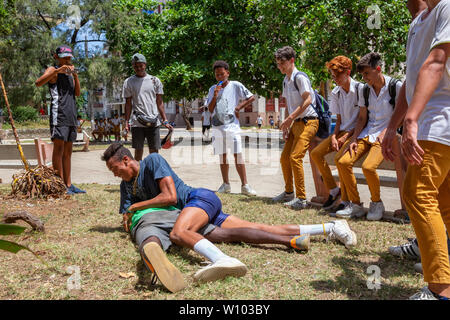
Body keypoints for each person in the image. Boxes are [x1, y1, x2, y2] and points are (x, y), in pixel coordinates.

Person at [102, 142, 357, 292]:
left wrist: (136, 208)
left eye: (115, 169)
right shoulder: (127, 185)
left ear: (126, 160)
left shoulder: (152, 161)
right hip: (196, 210)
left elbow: (169, 197)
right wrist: (129, 213)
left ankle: (223, 260)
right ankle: (331, 227)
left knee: (179, 233)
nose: (115, 175)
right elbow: (126, 213)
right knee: (263, 228)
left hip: (199, 199)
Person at [396, 0, 450, 300]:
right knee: (444, 204)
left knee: (418, 195)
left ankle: (440, 290)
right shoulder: (420, 20)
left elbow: (437, 61)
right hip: (433, 122)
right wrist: (394, 126)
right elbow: (412, 79)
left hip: (437, 121)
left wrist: (412, 119)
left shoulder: (447, 7)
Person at [333, 52, 402, 220]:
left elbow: (402, 114)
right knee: (343, 162)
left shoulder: (396, 86)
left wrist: (387, 132)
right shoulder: (365, 90)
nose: (364, 78)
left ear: (378, 69)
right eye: (362, 75)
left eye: (366, 74)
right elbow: (362, 117)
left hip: (386, 135)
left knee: (368, 167)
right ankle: (355, 205)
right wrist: (354, 139)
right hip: (366, 133)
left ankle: (376, 203)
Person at [310, 56, 361, 212]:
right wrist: (333, 136)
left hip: (357, 132)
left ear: (348, 72)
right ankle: (333, 190)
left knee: (340, 160)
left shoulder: (360, 89)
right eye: (332, 75)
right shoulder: (336, 92)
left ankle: (350, 201)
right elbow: (338, 119)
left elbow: (362, 119)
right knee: (316, 153)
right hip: (341, 132)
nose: (335, 78)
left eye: (337, 75)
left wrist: (347, 136)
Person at [272, 46, 319, 209]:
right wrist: (286, 123)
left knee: (295, 157)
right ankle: (288, 192)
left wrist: (290, 118)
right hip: (296, 123)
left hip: (309, 121)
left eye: (282, 63)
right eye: (278, 64)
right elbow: (287, 103)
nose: (280, 67)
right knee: (285, 158)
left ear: (292, 60)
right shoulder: (286, 79)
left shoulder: (300, 77)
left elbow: (308, 100)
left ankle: (301, 198)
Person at [35, 45, 86, 195]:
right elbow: (38, 83)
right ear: (57, 57)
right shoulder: (53, 70)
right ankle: (59, 185)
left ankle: (68, 184)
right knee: (58, 149)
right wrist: (57, 71)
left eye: (69, 57)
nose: (67, 60)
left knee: (68, 152)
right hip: (59, 115)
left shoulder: (70, 74)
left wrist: (75, 75)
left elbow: (77, 93)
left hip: (71, 115)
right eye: (64, 57)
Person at [206, 60, 257, 196]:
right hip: (217, 127)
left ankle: (245, 185)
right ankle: (226, 184)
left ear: (227, 73)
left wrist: (239, 107)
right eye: (217, 75)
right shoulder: (212, 89)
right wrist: (215, 95)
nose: (220, 77)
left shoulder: (235, 85)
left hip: (231, 127)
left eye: (222, 74)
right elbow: (210, 109)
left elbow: (251, 97)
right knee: (222, 157)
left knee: (237, 156)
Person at [123, 53, 173, 161]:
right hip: (137, 122)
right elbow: (128, 104)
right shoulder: (128, 82)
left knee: (154, 153)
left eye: (141, 65)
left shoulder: (155, 80)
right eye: (136, 66)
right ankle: (138, 176)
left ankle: (154, 176)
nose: (139, 68)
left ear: (145, 65)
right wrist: (126, 122)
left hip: (154, 121)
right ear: (133, 66)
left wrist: (165, 120)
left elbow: (159, 102)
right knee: (138, 153)